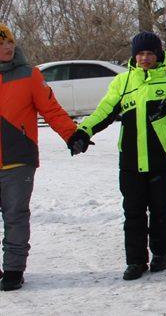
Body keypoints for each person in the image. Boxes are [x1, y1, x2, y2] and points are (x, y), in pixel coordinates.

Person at [70, 31, 166, 281]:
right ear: (134, 56)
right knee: (133, 211)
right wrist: (83, 131)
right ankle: (135, 261)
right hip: (131, 160)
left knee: (160, 209)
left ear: (158, 55)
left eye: (150, 53)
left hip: (162, 159)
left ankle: (161, 253)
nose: (145, 58)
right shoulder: (122, 83)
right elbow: (104, 111)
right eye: (140, 53)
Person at [0, 23, 79, 291]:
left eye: (9, 42)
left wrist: (72, 134)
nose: (7, 47)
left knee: (15, 214)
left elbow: (51, 110)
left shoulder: (29, 75)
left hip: (18, 158)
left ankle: (13, 270)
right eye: (1, 44)